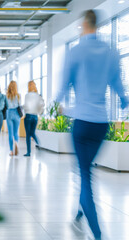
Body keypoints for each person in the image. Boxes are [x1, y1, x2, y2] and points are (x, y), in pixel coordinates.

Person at [57, 10, 128, 240]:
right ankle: (79, 210)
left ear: (83, 25)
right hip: (101, 124)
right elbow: (119, 87)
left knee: (85, 174)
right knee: (86, 168)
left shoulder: (76, 51)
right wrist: (126, 102)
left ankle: (97, 234)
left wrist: (59, 104)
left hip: (82, 123)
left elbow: (64, 85)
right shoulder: (111, 52)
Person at [23, 81, 44, 157]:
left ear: (28, 86)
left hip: (28, 116)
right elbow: (41, 106)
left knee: (28, 135)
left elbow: (26, 106)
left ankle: (28, 152)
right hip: (35, 117)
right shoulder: (38, 96)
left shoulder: (27, 95)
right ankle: (38, 143)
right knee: (32, 132)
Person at [6, 81, 21, 156]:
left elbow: (5, 105)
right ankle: (16, 143)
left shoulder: (7, 95)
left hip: (9, 113)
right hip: (17, 114)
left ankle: (11, 151)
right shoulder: (18, 95)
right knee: (16, 132)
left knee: (10, 133)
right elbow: (20, 105)